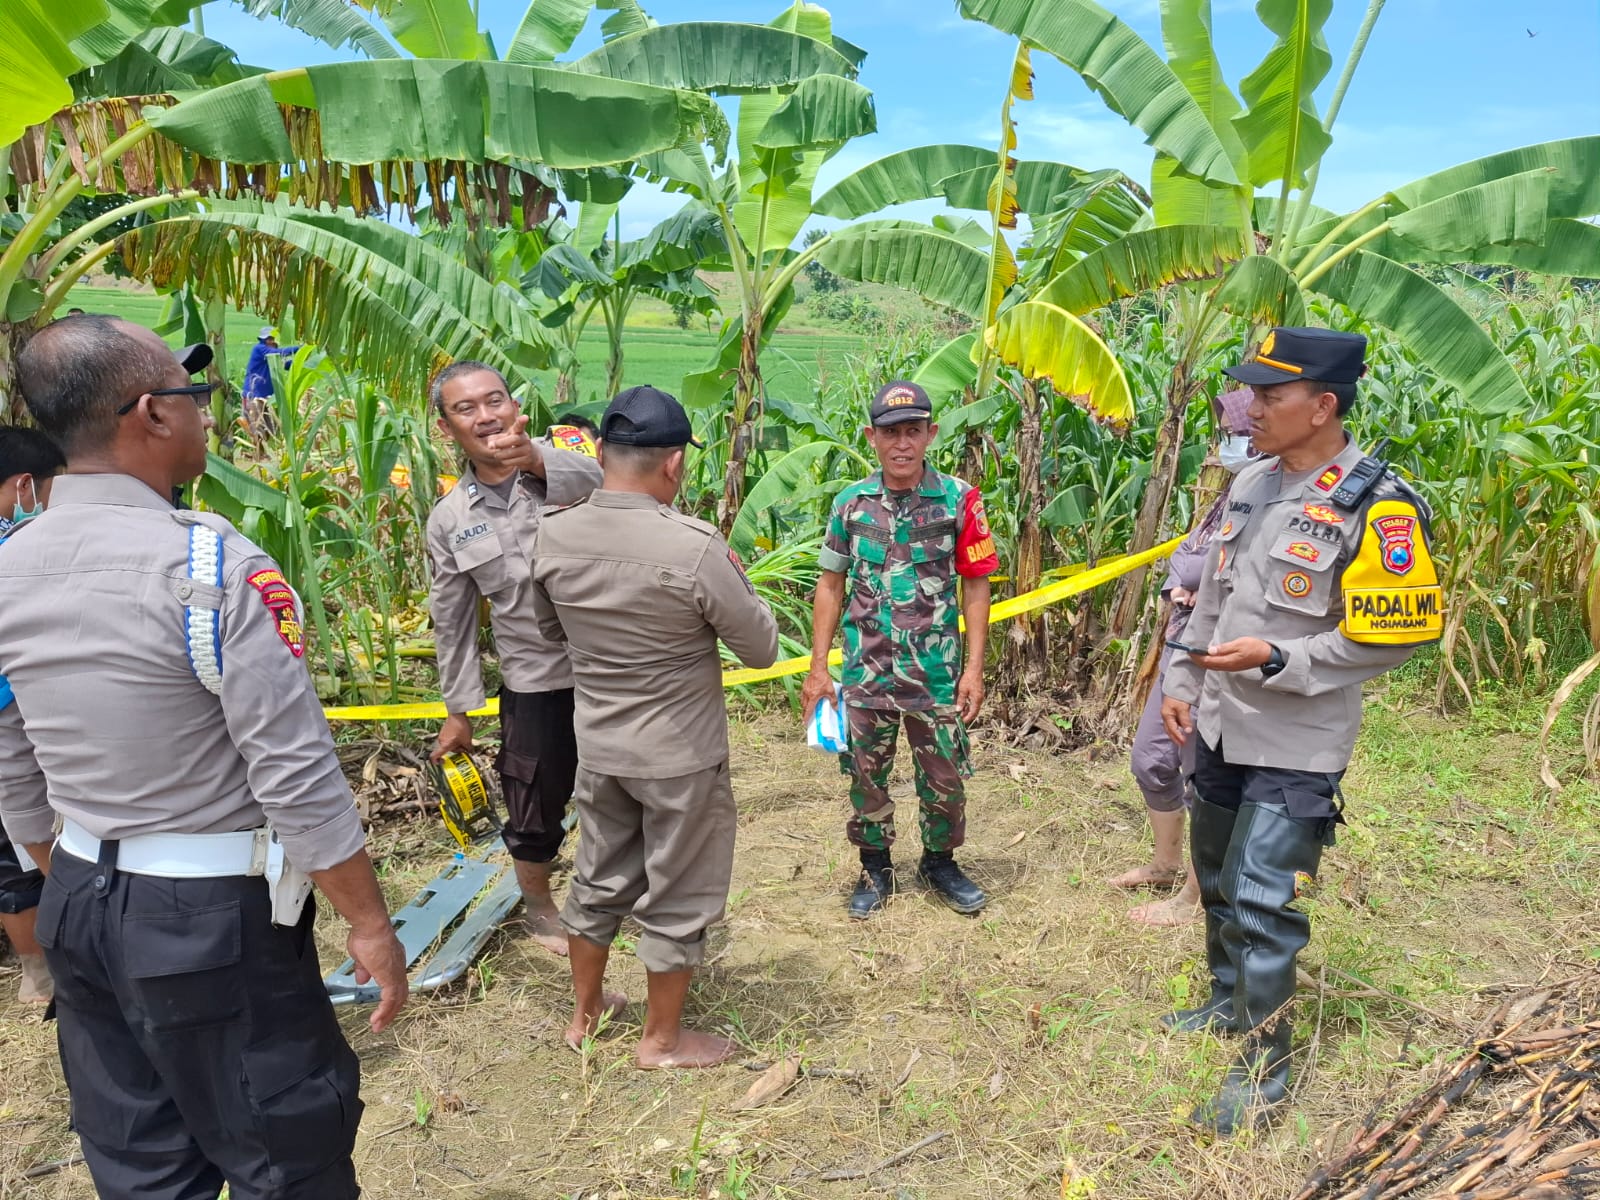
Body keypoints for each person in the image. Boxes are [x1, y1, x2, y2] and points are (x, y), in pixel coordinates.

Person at [0, 315, 408, 1199]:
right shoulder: (212, 565)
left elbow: (10, 754)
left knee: (141, 1163)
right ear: (149, 413)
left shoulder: (11, 563)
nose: (206, 415)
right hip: (210, 918)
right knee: (282, 1154)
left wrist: (62, 869)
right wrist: (369, 923)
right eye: (197, 399)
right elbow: (293, 773)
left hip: (76, 899)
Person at [1159, 327, 1443, 1135]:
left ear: (1322, 406)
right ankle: (1226, 1000)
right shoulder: (1247, 484)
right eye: (1250, 395)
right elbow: (1207, 596)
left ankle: (1263, 1063)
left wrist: (1280, 655)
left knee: (1263, 897)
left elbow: (1394, 631)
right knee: (1216, 874)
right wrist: (1182, 678)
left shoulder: (1377, 504)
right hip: (1218, 724)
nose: (1249, 409)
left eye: (1269, 397)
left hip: (1297, 738)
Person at [531, 385, 778, 1069]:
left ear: (603, 454)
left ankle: (584, 1016)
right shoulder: (693, 547)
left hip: (601, 746)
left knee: (598, 875)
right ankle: (662, 1041)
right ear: (673, 464)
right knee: (679, 890)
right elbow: (759, 647)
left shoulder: (555, 531)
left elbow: (550, 630)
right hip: (678, 755)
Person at [802, 380, 999, 920]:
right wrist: (819, 670)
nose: (903, 444)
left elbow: (977, 585)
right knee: (865, 772)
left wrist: (974, 670)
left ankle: (940, 863)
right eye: (891, 433)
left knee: (945, 776)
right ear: (872, 437)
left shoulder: (960, 500)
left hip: (935, 673)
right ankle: (875, 866)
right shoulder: (851, 504)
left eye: (914, 431)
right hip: (867, 670)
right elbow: (830, 587)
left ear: (931, 434)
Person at [426, 362, 603, 955]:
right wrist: (460, 710)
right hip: (535, 678)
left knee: (633, 786)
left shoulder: (559, 464)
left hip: (610, 666)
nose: (487, 415)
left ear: (513, 404)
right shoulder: (451, 520)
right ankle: (541, 908)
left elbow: (612, 483)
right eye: (466, 408)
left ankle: (627, 893)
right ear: (448, 428)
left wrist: (534, 458)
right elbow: (451, 621)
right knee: (532, 800)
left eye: (494, 399)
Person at [1112, 389, 1254, 926]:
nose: (1228, 442)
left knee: (1202, 777)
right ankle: (1165, 864)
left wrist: (1201, 587)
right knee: (1151, 759)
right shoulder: (1227, 496)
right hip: (1179, 650)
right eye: (1225, 433)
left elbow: (1236, 578)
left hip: (1214, 656)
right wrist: (1178, 588)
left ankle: (1195, 896)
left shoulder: (1266, 500)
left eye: (1238, 431)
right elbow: (1186, 563)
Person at [0, 425, 66, 1004]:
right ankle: (46, 969)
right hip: (7, 713)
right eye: (49, 492)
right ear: (24, 486)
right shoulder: (15, 554)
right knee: (20, 842)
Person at [241, 326, 298, 435]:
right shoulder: (260, 349)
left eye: (272, 338)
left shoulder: (273, 355)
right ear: (263, 340)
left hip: (268, 399)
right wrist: (300, 348)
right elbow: (281, 352)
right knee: (257, 430)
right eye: (268, 339)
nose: (271, 341)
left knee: (272, 430)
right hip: (254, 397)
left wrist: (302, 362)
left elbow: (286, 365)